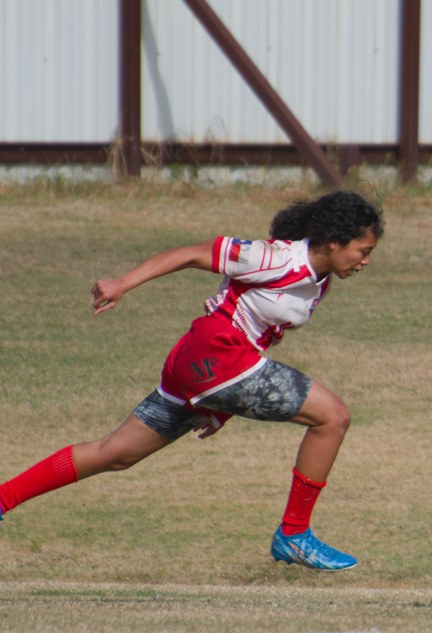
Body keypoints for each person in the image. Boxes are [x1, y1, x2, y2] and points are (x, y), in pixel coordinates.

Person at [0, 190, 384, 572]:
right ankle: (294, 534)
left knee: (113, 453)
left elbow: (261, 333)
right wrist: (122, 283)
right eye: (363, 251)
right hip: (216, 358)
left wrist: (222, 408)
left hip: (205, 367)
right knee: (333, 417)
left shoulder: (319, 281)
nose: (365, 261)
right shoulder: (273, 258)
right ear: (334, 241)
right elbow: (188, 254)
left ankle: (3, 498)